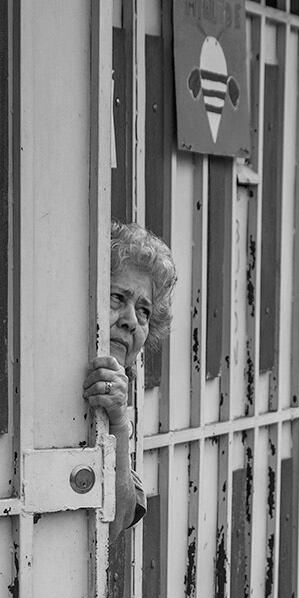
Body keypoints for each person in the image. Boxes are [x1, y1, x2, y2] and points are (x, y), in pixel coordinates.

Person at [83, 222, 177, 534]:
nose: (132, 321)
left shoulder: (121, 398)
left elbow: (116, 523)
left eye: (144, 311)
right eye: (117, 297)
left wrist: (119, 422)